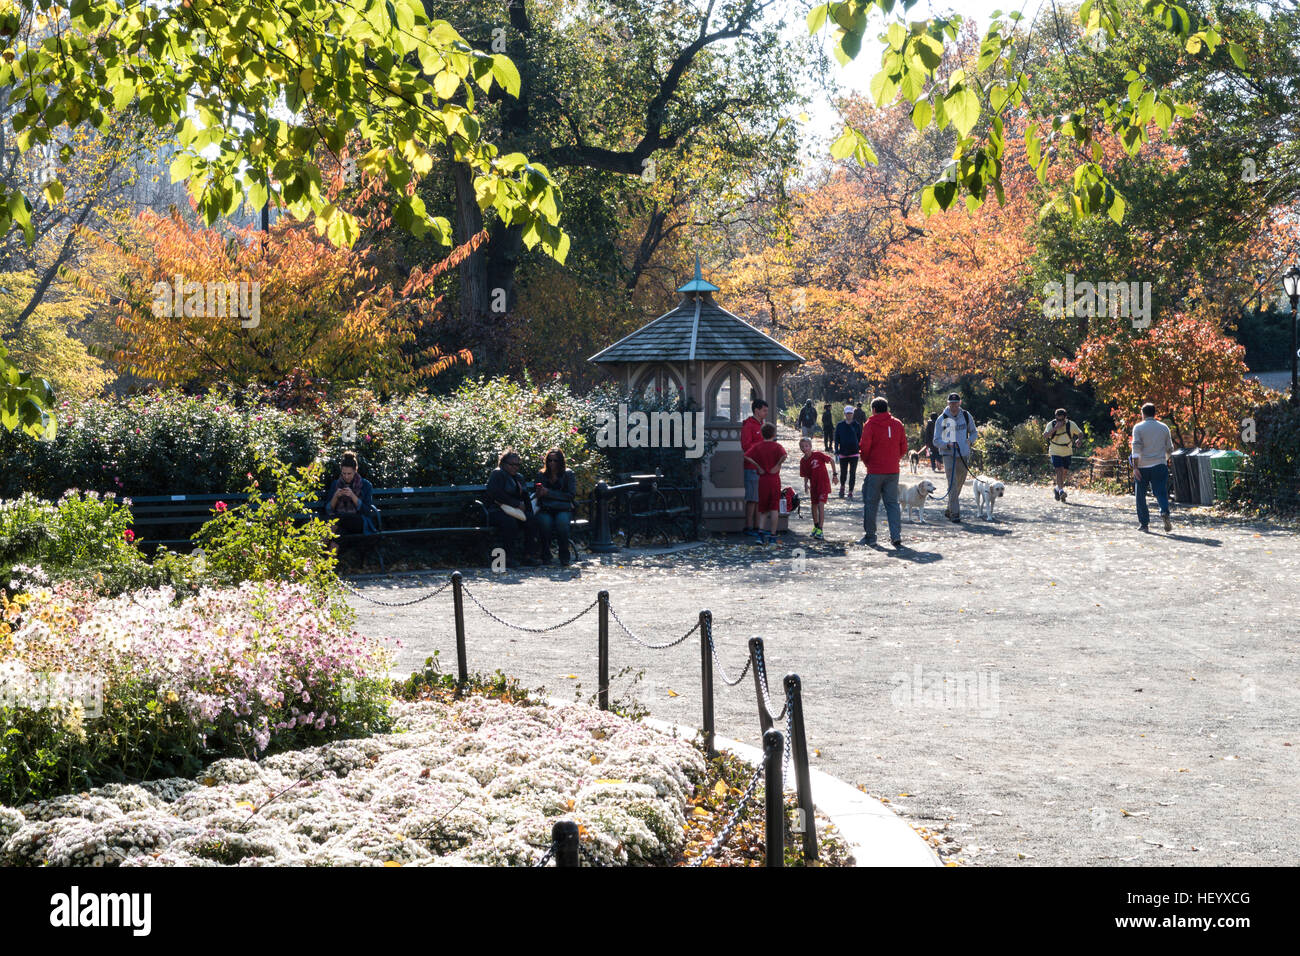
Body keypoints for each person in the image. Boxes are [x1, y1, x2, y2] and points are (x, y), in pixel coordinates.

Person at [857, 397, 909, 549]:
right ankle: (896, 536)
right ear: (887, 408)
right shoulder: (897, 423)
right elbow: (903, 446)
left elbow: (864, 447)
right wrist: (895, 458)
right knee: (892, 503)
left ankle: (871, 536)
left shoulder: (871, 424)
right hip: (893, 470)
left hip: (875, 469)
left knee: (871, 503)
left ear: (873, 409)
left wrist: (867, 462)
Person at [486, 448, 539, 566]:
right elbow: (495, 494)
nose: (515, 467)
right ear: (503, 463)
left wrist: (528, 510)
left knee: (531, 520)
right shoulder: (497, 474)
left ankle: (528, 555)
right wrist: (516, 504)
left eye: (518, 465)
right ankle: (507, 558)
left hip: (516, 511)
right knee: (510, 522)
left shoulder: (519, 477)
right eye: (512, 464)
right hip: (497, 510)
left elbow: (525, 497)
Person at [1131, 402, 1174, 533]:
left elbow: (1136, 448)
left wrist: (1135, 467)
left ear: (1142, 414)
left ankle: (1144, 524)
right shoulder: (1164, 427)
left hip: (1143, 466)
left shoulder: (1138, 427)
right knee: (1161, 492)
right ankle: (1164, 511)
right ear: (1154, 413)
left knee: (1140, 495)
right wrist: (1163, 460)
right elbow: (1170, 448)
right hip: (1159, 464)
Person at [934, 392, 977, 523]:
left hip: (963, 454)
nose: (954, 406)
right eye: (951, 403)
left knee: (960, 482)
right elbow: (935, 440)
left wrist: (970, 440)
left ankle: (949, 508)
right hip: (948, 455)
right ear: (948, 403)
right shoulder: (942, 419)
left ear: (960, 403)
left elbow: (974, 431)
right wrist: (946, 444)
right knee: (952, 484)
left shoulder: (966, 415)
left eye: (956, 403)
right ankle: (955, 513)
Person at [743, 422, 786, 544]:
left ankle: (760, 534)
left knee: (763, 509)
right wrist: (777, 465)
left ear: (762, 434)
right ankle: (773, 535)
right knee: (774, 509)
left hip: (762, 479)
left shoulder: (758, 446)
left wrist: (758, 466)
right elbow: (784, 455)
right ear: (774, 434)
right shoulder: (777, 446)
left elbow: (746, 456)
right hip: (774, 479)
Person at [534, 448, 577, 565]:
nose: (552, 463)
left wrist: (549, 493)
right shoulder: (541, 474)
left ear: (561, 461)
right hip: (546, 508)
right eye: (549, 460)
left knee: (562, 523)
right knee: (544, 523)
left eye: (555, 460)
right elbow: (538, 495)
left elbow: (571, 495)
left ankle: (564, 555)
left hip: (563, 508)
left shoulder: (568, 474)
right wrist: (539, 493)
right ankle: (545, 554)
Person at [324, 450, 378, 536]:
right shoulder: (335, 484)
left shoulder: (366, 485)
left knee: (337, 519)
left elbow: (367, 511)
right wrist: (335, 496)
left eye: (349, 473)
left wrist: (353, 496)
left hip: (358, 520)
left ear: (355, 470)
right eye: (344, 473)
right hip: (340, 523)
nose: (346, 476)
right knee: (339, 535)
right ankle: (324, 548)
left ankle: (319, 546)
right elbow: (328, 510)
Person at [740, 399, 769, 537]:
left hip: (761, 467)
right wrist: (762, 447)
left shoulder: (762, 425)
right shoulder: (748, 425)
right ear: (756, 411)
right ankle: (748, 527)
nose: (766, 413)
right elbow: (746, 446)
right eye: (764, 410)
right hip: (751, 466)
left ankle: (758, 527)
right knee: (752, 498)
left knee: (759, 498)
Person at [1043, 408, 1083, 502]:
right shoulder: (1051, 424)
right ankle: (1061, 491)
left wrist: (1079, 440)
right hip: (1055, 450)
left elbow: (1080, 433)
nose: (1059, 421)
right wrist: (1056, 428)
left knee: (1065, 472)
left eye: (1061, 420)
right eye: (1057, 419)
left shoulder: (1071, 424)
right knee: (1059, 470)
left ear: (1065, 418)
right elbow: (1045, 436)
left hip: (1067, 451)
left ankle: (1057, 489)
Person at [798, 438, 835, 537]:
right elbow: (805, 474)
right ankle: (816, 526)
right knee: (814, 505)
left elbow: (831, 460)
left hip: (823, 484)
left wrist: (835, 475)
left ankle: (820, 529)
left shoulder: (818, 455)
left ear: (810, 446)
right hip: (813, 485)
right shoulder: (803, 461)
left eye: (806, 446)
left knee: (820, 505)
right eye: (802, 446)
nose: (804, 448)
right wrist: (806, 484)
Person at [834, 405, 861, 499]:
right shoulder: (840, 425)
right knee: (843, 472)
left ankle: (850, 491)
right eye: (847, 413)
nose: (849, 415)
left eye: (851, 413)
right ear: (844, 414)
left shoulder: (857, 425)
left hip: (854, 452)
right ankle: (842, 487)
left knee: (853, 473)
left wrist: (860, 448)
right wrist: (836, 449)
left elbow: (860, 438)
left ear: (853, 414)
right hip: (843, 452)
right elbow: (836, 438)